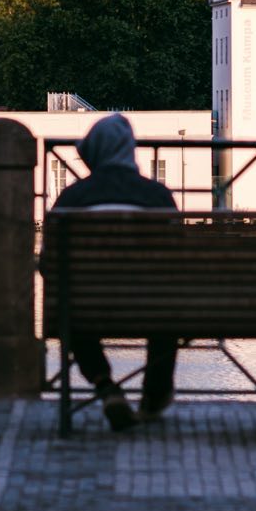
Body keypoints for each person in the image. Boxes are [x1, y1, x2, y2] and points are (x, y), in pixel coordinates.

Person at [48, 113, 180, 433]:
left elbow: (49, 263)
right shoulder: (157, 196)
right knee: (170, 315)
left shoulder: (73, 198)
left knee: (73, 310)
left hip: (87, 309)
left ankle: (106, 386)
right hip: (150, 308)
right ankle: (153, 397)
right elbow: (178, 262)